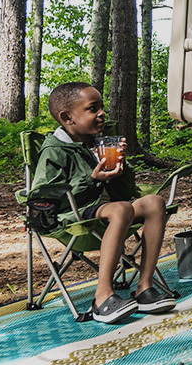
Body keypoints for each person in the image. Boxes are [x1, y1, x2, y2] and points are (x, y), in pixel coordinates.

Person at [32, 82, 177, 323]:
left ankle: (144, 287)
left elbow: (125, 192)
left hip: (111, 213)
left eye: (101, 107)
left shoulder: (99, 143)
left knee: (154, 202)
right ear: (67, 117)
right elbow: (45, 196)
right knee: (121, 209)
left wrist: (122, 167)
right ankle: (102, 297)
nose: (101, 113)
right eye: (92, 108)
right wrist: (91, 180)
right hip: (74, 217)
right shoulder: (55, 150)